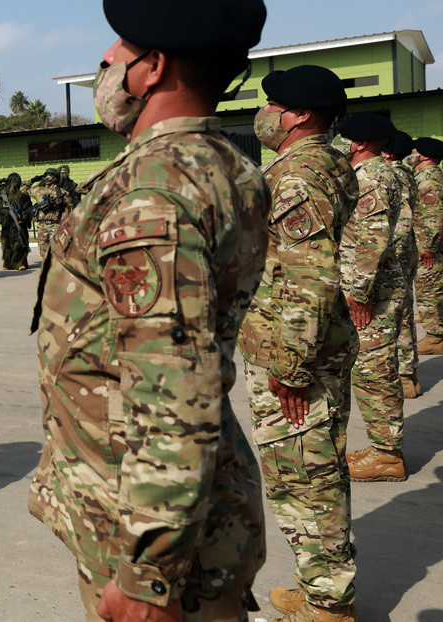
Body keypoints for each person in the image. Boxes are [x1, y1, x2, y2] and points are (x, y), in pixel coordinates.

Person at [28, 1, 269, 620]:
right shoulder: (224, 165)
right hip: (174, 509)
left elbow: (172, 394)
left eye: (119, 49)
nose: (107, 61)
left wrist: (148, 576)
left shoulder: (152, 192)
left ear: (153, 67)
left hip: (143, 526)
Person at [240, 64, 360, 622]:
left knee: (305, 477)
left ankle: (329, 603)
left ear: (301, 115)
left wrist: (291, 366)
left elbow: (309, 277)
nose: (265, 113)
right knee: (311, 470)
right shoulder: (327, 164)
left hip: (296, 355)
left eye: (275, 105)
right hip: (312, 346)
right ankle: (321, 587)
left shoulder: (297, 178)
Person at [337, 115, 406, 485]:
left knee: (374, 372)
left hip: (372, 293)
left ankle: (387, 456)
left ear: (359, 143)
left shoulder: (373, 178)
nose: (339, 144)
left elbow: (372, 238)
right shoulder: (373, 173)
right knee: (371, 370)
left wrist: (360, 294)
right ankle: (382, 445)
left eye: (344, 138)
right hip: (371, 287)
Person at [383, 132, 421, 397]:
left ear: (388, 152)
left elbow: (403, 221)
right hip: (404, 252)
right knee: (402, 311)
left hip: (397, 254)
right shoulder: (406, 173)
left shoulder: (395, 175)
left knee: (398, 314)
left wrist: (389, 256)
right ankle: (407, 373)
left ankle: (405, 375)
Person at [412, 137, 443, 356]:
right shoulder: (426, 176)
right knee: (430, 287)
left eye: (415, 150)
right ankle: (431, 320)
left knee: (428, 289)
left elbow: (434, 216)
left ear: (425, 156)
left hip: (427, 246)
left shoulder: (428, 179)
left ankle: (435, 337)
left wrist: (429, 247)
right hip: (424, 242)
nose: (411, 153)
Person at [0, 172, 31, 270]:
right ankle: (8, 263)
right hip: (6, 222)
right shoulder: (3, 190)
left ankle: (21, 263)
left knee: (20, 243)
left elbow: (28, 207)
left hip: (19, 222)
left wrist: (25, 219)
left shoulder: (22, 192)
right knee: (7, 244)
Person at [29, 168, 76, 259]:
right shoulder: (38, 190)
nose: (48, 177)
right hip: (42, 225)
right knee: (43, 249)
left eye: (50, 175)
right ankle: (47, 265)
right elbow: (23, 189)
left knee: (57, 249)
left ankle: (56, 266)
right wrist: (33, 180)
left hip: (55, 225)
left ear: (56, 178)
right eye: (46, 175)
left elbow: (71, 208)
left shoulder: (61, 192)